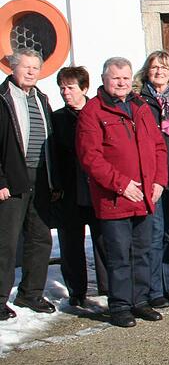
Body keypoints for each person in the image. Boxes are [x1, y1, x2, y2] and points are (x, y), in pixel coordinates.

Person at [76, 57, 168, 328]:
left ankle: (140, 301)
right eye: (116, 78)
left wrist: (159, 182)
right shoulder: (92, 111)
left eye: (126, 78)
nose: (122, 83)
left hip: (145, 197)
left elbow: (159, 147)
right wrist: (121, 184)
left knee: (142, 252)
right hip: (114, 198)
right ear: (104, 79)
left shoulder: (140, 107)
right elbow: (90, 158)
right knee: (119, 256)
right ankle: (120, 306)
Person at [0, 49, 57, 319]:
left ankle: (30, 293)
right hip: (12, 180)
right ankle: (0, 299)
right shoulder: (2, 99)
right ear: (13, 68)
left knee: (40, 238)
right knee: (6, 243)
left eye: (36, 67)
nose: (32, 72)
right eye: (27, 67)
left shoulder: (42, 99)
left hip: (41, 178)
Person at [51, 66, 109, 308]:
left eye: (70, 87)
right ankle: (77, 290)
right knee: (71, 243)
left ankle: (108, 287)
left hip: (96, 187)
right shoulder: (57, 118)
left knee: (103, 239)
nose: (65, 92)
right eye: (62, 88)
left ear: (84, 88)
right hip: (69, 189)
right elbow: (52, 155)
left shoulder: (98, 111)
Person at [135, 51, 169, 307]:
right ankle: (154, 290)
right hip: (153, 176)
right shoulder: (139, 100)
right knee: (154, 234)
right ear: (147, 71)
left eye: (164, 68)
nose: (159, 72)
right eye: (155, 67)